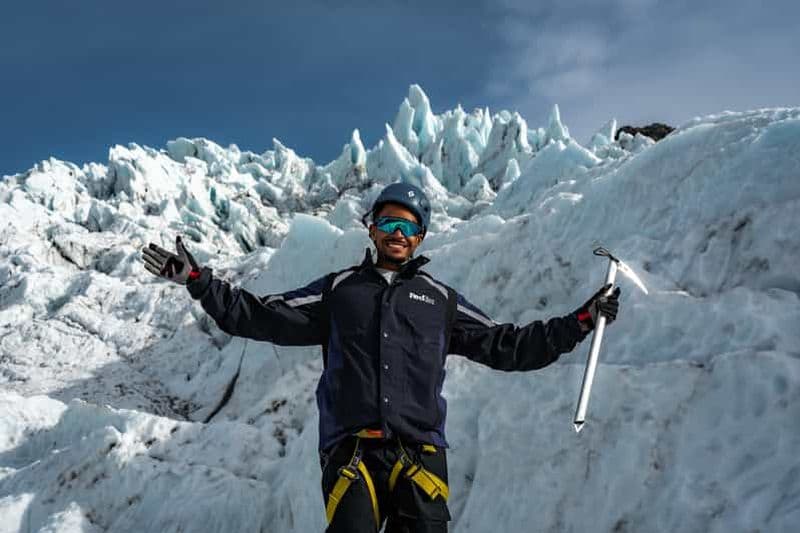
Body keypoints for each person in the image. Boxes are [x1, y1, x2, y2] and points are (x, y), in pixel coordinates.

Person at [141, 182, 621, 533]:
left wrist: (579, 321)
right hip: (351, 453)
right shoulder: (338, 291)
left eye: (409, 226)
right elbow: (259, 316)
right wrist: (199, 282)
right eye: (389, 222)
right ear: (371, 229)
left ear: (421, 238)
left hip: (422, 456)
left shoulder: (440, 300)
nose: (398, 232)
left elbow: (507, 344)